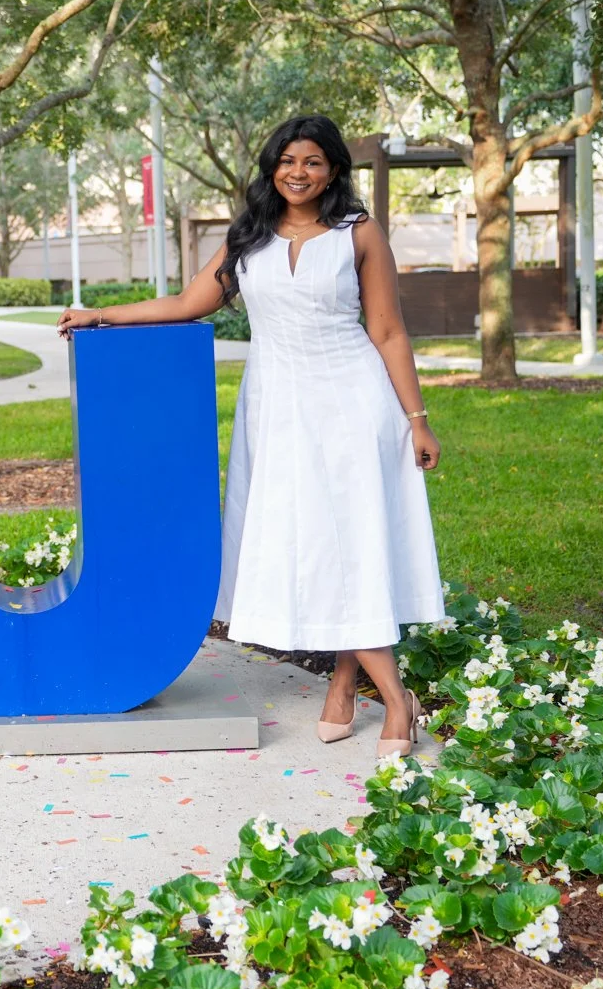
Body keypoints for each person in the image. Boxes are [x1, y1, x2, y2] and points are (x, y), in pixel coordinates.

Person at [57, 116, 445, 756]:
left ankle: (389, 694)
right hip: (278, 409)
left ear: (334, 170)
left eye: (314, 161)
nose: (300, 172)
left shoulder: (359, 234)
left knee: (352, 540)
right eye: (288, 160)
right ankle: (353, 682)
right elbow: (188, 303)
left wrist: (417, 418)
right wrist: (102, 315)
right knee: (320, 542)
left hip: (352, 401)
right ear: (272, 168)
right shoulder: (250, 236)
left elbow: (389, 332)